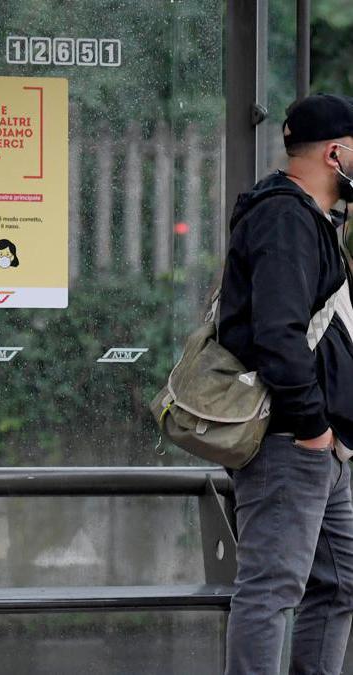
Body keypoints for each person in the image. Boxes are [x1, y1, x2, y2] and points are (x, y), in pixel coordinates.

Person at [219, 93, 353, 675]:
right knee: (272, 589)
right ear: (335, 153)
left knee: (342, 582)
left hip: (324, 445)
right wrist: (313, 429)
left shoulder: (315, 220)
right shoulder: (284, 217)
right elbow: (278, 334)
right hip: (292, 440)